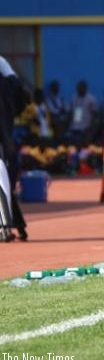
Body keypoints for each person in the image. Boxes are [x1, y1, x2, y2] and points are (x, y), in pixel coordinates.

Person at [0, 56, 28, 241]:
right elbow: (23, 98)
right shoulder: (8, 82)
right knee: (5, 182)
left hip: (4, 139)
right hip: (6, 139)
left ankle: (6, 227)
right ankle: (13, 225)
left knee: (3, 182)